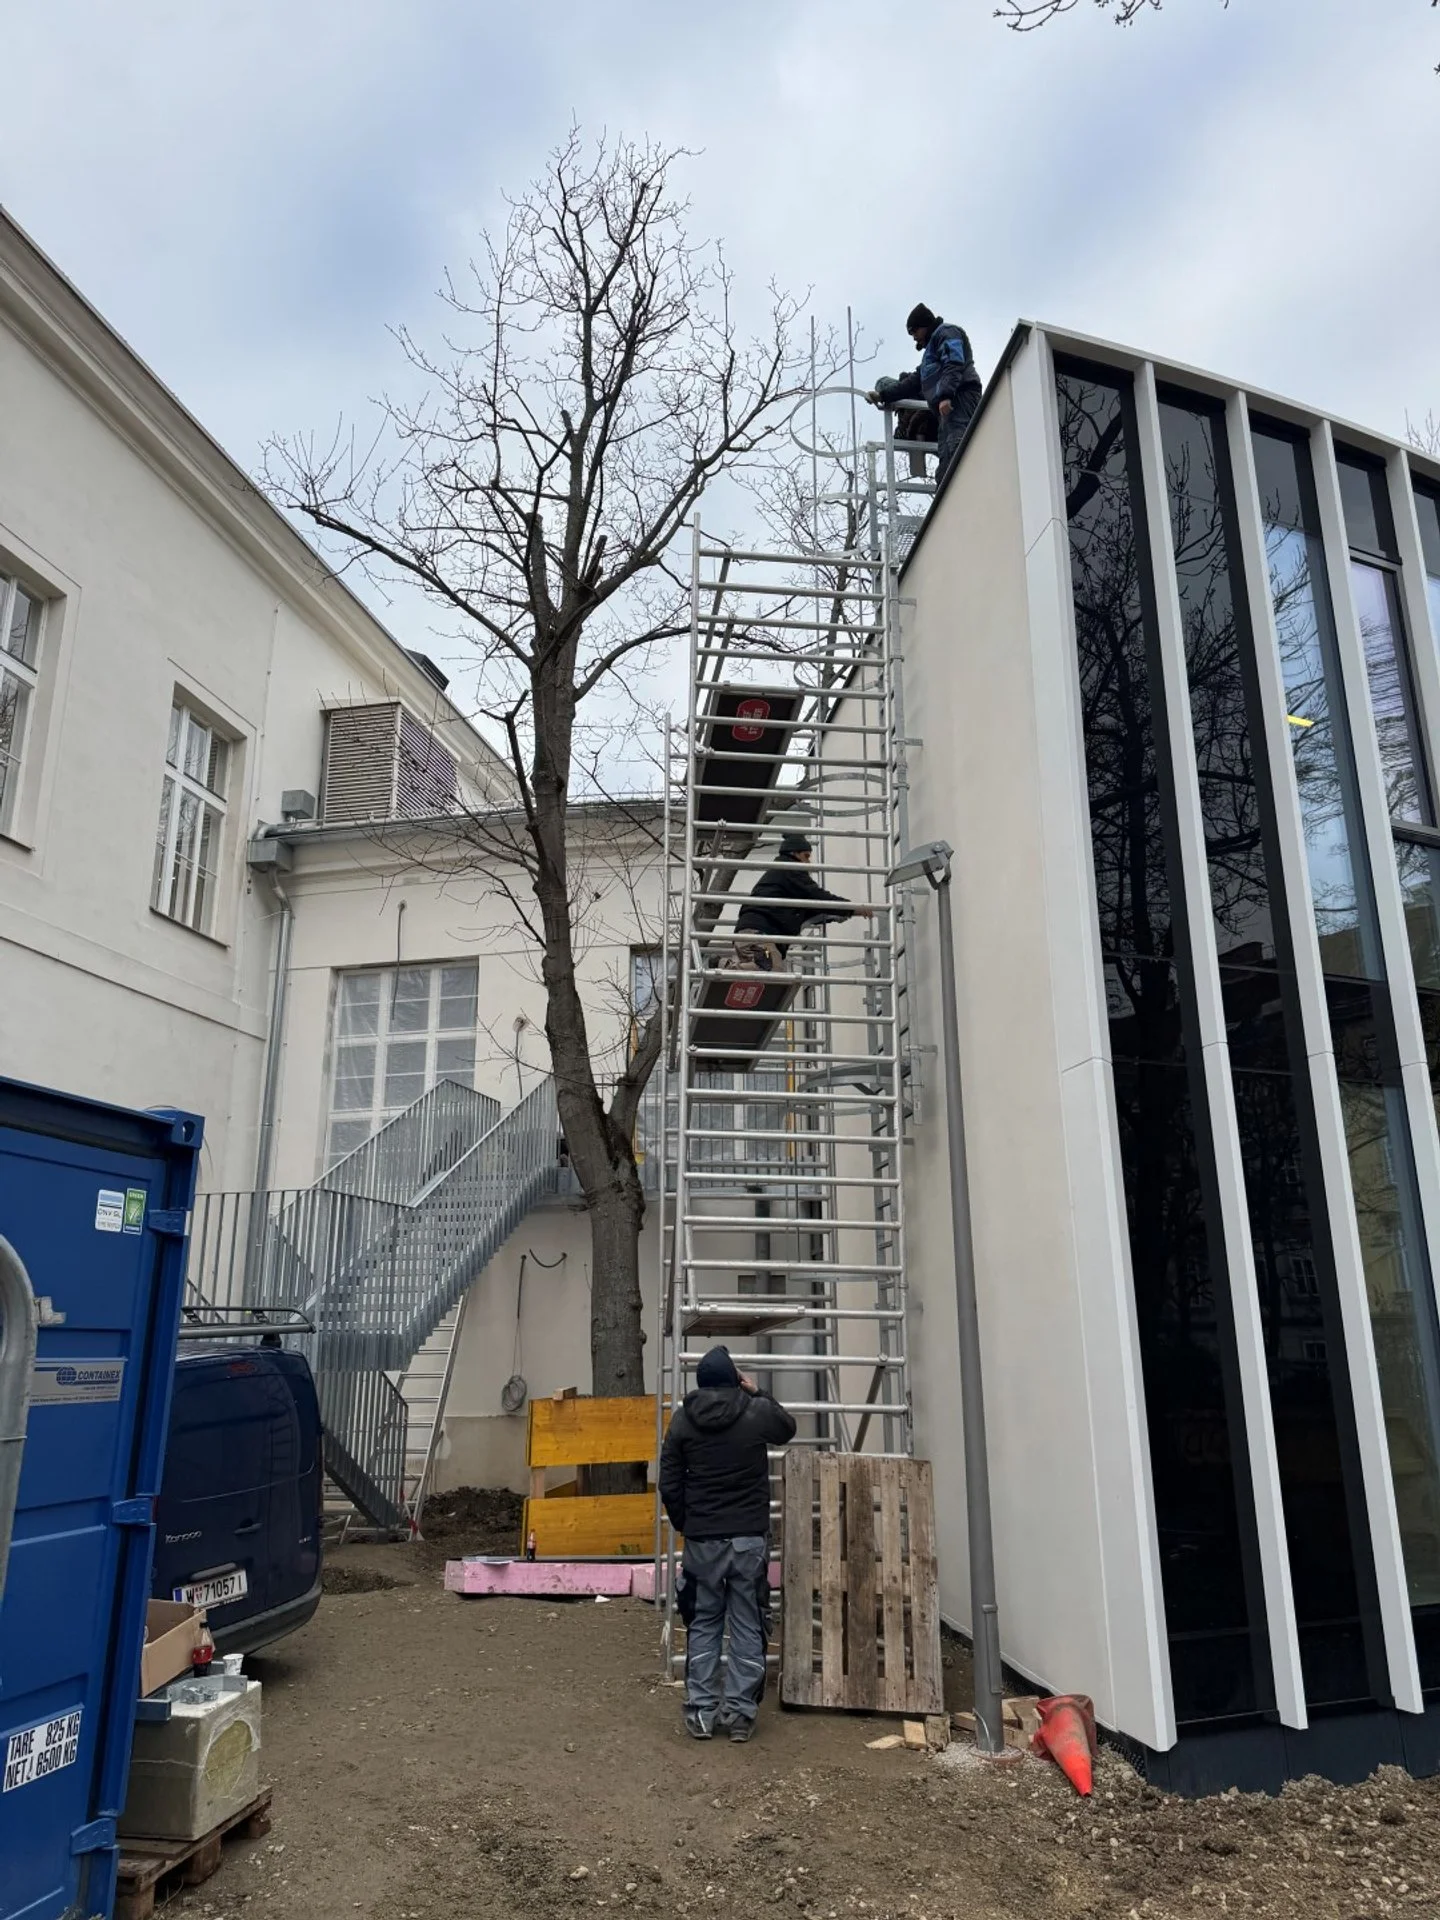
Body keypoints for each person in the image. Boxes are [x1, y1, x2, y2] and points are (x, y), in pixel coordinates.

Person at [659, 1346, 797, 1741]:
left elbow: (669, 1481)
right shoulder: (754, 1412)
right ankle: (739, 1715)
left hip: (704, 1540)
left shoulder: (684, 1419)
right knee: (748, 1624)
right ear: (734, 1379)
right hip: (748, 1540)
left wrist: (690, 1523)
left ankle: (701, 1713)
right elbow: (787, 1429)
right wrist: (758, 1393)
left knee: (703, 1623)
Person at [727, 833, 877, 972]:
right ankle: (726, 967)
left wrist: (838, 913)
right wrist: (853, 908)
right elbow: (818, 897)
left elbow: (810, 909)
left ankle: (726, 966)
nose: (808, 862)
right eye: (806, 856)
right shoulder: (791, 869)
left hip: (752, 933)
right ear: (794, 854)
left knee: (760, 980)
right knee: (773, 969)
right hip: (759, 935)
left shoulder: (783, 877)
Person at [866, 303, 982, 482]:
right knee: (945, 452)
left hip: (960, 396)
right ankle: (947, 494)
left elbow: (953, 363)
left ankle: (965, 485)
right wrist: (883, 396)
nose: (914, 338)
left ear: (923, 325)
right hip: (947, 406)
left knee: (956, 445)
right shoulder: (929, 355)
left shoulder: (946, 333)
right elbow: (913, 382)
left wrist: (945, 396)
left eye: (914, 332)